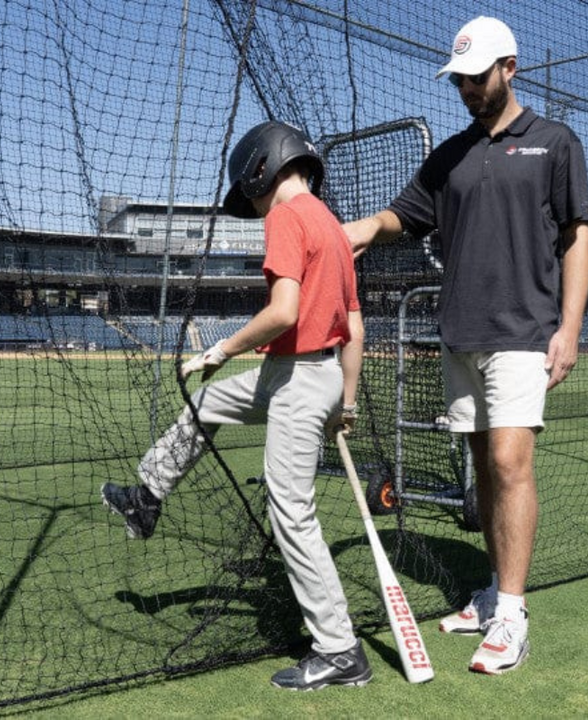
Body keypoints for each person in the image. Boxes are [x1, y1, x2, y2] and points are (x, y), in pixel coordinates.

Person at [344, 16, 588, 675]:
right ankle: (490, 593)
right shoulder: (450, 155)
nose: (466, 89)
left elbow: (577, 237)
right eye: (458, 80)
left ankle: (511, 614)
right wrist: (367, 227)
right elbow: (407, 213)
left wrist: (569, 327)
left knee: (511, 463)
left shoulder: (554, 144)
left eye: (476, 77)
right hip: (461, 334)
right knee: (484, 470)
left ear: (510, 68)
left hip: (524, 331)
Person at [101, 120, 370, 691]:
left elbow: (283, 313)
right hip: (306, 374)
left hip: (298, 378)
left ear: (262, 167)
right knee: (208, 405)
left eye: (249, 189)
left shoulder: (288, 217)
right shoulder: (331, 224)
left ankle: (340, 649)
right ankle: (147, 497)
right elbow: (355, 326)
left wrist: (219, 350)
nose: (251, 200)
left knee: (291, 512)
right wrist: (345, 401)